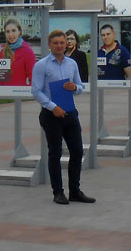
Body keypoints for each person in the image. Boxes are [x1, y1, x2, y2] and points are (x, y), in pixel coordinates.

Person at [31, 30, 95, 205]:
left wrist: (74, 87)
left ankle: (75, 190)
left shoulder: (72, 64)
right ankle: (58, 192)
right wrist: (53, 107)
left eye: (62, 42)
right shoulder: (41, 65)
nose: (60, 45)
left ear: (66, 44)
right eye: (56, 43)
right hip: (51, 114)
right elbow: (36, 91)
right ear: (50, 45)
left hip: (69, 111)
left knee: (77, 151)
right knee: (55, 153)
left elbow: (81, 87)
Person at [0, 18, 35, 86]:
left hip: (20, 95)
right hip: (3, 95)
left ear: (19, 31)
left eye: (13, 31)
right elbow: (0, 79)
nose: (11, 35)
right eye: (8, 31)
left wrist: (25, 94)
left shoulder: (28, 52)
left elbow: (33, 79)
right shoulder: (3, 52)